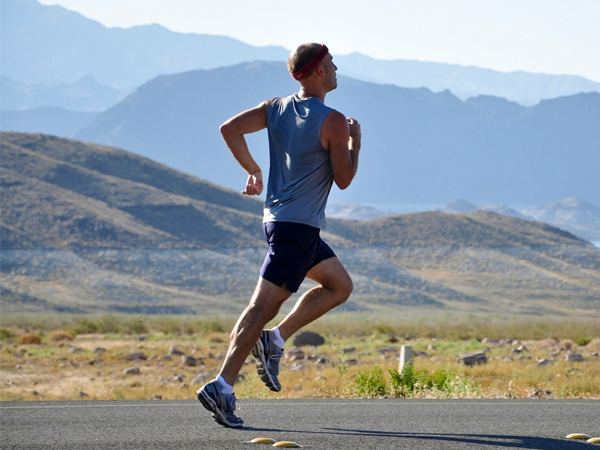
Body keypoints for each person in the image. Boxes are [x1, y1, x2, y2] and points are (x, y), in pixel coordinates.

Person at [196, 43, 362, 427]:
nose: (337, 70)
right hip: (297, 229)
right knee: (260, 307)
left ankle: (275, 339)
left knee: (339, 286)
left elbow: (229, 128)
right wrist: (355, 142)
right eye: (333, 65)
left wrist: (253, 169)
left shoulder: (275, 107)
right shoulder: (334, 121)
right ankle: (222, 385)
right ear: (319, 70)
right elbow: (344, 179)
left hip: (282, 222)